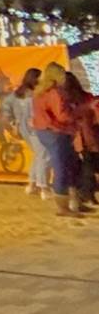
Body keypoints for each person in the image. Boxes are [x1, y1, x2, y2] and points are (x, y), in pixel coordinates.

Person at [31, 61, 89, 219]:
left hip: (45, 131)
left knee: (67, 164)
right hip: (56, 132)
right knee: (63, 167)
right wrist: (79, 112)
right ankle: (64, 205)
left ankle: (71, 202)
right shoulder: (56, 92)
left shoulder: (40, 91)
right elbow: (63, 116)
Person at [8, 67, 49, 197]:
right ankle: (43, 187)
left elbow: (12, 112)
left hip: (24, 128)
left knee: (38, 155)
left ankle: (32, 184)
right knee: (44, 155)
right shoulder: (35, 94)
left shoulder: (17, 94)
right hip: (35, 128)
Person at [62, 69, 98, 209]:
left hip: (76, 136)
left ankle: (85, 194)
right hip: (90, 135)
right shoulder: (87, 98)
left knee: (84, 166)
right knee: (89, 165)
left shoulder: (65, 100)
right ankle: (88, 194)